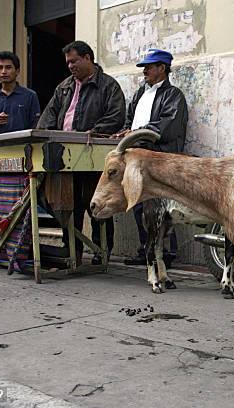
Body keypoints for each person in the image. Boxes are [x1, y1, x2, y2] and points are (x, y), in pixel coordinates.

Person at [37, 41, 126, 264]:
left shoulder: (108, 86)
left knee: (97, 206)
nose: (70, 66)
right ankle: (72, 250)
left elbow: (116, 117)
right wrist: (47, 136)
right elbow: (48, 117)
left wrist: (93, 132)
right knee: (67, 205)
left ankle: (101, 251)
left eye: (74, 61)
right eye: (68, 62)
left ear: (88, 58)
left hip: (94, 156)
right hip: (64, 157)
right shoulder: (63, 87)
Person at [112, 48, 188, 266]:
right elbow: (129, 120)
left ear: (161, 68)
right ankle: (146, 249)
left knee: (162, 206)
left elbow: (166, 128)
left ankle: (167, 252)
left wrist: (136, 133)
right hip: (138, 157)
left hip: (160, 158)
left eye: (148, 67)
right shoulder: (140, 93)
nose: (144, 71)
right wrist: (125, 132)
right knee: (138, 204)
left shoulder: (173, 96)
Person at [0, 51, 40, 134]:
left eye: (8, 67)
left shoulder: (30, 96)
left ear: (17, 71)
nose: (3, 71)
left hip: (21, 145)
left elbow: (36, 125)